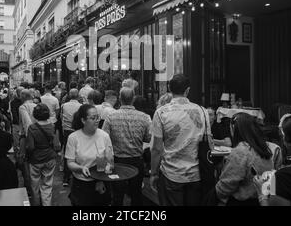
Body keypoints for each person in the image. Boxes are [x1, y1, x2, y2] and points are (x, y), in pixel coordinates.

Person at [150, 74, 213, 206]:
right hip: (196, 173)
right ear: (187, 90)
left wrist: (154, 173)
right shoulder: (202, 111)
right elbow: (210, 143)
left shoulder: (161, 113)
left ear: (169, 88)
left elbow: (156, 149)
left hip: (170, 173)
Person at [102, 87, 151, 206]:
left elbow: (104, 137)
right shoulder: (144, 117)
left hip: (118, 160)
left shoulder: (111, 117)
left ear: (120, 98)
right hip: (136, 160)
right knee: (136, 193)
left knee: (118, 195)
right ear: (133, 98)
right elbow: (148, 138)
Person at [215, 113, 275, 206]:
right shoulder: (265, 148)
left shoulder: (242, 151)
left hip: (243, 201)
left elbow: (226, 186)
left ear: (235, 129)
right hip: (262, 199)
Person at [65, 104, 113, 206]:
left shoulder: (104, 136)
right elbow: (70, 163)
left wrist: (106, 171)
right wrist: (81, 168)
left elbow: (110, 160)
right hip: (81, 184)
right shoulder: (73, 137)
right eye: (93, 118)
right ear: (83, 120)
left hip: (101, 183)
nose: (97, 120)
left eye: (98, 117)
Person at [26, 104, 60, 206]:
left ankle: (36, 203)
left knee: (34, 185)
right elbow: (56, 145)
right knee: (47, 184)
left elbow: (30, 147)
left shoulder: (32, 128)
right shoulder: (52, 126)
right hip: (50, 157)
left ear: (35, 114)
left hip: (36, 160)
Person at [61, 89, 82, 186]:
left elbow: (61, 117)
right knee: (78, 152)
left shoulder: (64, 106)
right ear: (78, 96)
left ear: (69, 95)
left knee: (67, 153)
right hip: (77, 131)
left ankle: (66, 177)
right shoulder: (81, 107)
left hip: (67, 131)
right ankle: (77, 173)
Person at [18, 89, 37, 195]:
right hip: (37, 136)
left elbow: (27, 124)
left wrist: (29, 140)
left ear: (24, 97)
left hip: (27, 137)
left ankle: (29, 189)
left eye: (21, 96)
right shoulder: (36, 106)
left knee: (25, 163)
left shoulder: (23, 107)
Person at [10, 86, 24, 162]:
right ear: (18, 93)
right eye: (21, 92)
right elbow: (14, 113)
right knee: (16, 142)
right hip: (17, 124)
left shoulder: (24, 101)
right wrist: (19, 122)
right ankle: (17, 159)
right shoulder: (14, 102)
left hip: (23, 124)